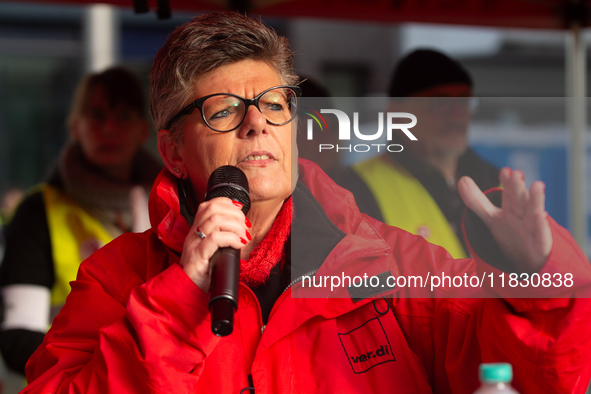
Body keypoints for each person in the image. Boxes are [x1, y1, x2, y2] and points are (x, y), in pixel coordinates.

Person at [22, 12, 591, 393]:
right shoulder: (117, 280)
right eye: (223, 109)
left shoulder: (388, 263)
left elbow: (544, 374)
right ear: (172, 151)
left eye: (275, 104)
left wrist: (538, 282)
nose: (256, 124)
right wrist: (176, 301)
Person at [0, 66, 162, 376]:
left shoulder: (169, 207)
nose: (110, 127)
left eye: (124, 116)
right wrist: (112, 369)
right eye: (97, 115)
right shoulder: (37, 211)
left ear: (144, 130)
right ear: (75, 126)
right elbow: (16, 339)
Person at [334, 49, 499, 258]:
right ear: (395, 113)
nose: (456, 113)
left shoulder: (498, 184)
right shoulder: (354, 192)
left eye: (464, 100)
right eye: (439, 102)